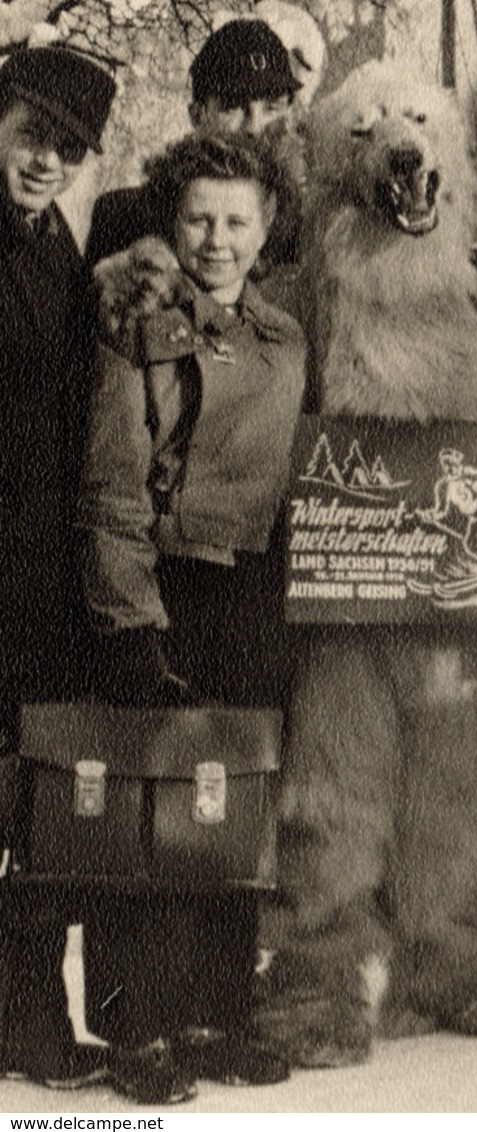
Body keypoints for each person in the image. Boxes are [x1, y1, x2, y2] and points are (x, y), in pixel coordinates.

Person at [77, 132, 306, 1103]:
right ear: (171, 221)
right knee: (147, 809)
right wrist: (130, 622)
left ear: (266, 229)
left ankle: (217, 1009)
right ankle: (138, 1026)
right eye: (198, 217)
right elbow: (112, 483)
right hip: (166, 588)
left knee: (230, 803)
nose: (217, 239)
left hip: (254, 589)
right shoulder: (142, 318)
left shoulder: (283, 335)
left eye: (237, 220)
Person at [0, 44, 116, 1090]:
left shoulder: (51, 245)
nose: (48, 161)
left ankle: (31, 1021)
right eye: (32, 134)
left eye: (70, 149)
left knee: (37, 806)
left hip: (37, 578)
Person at [85, 18, 305, 270]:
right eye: (234, 106)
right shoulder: (124, 216)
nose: (254, 127)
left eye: (271, 107)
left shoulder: (306, 233)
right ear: (197, 115)